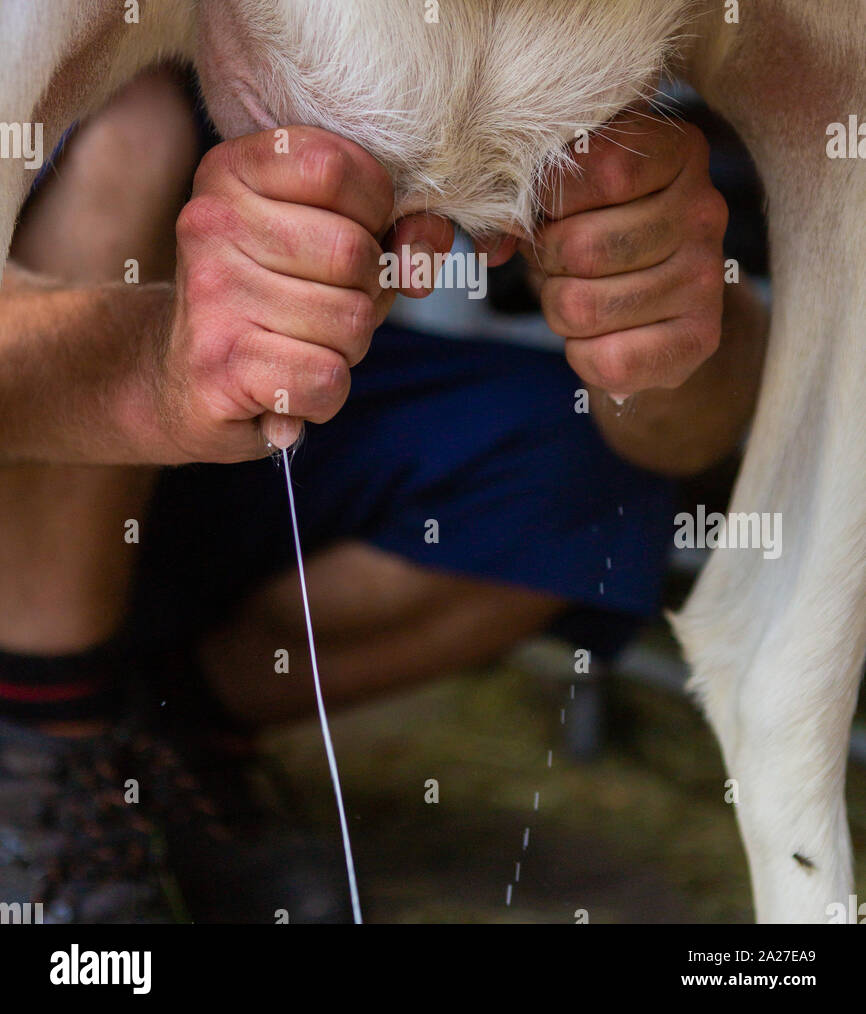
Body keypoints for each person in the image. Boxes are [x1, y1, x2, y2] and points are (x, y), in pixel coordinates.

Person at [0, 67, 768, 923]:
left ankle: (158, 727)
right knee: (128, 121)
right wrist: (147, 363)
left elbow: (685, 437)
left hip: (208, 474)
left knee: (581, 478)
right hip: (45, 449)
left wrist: (668, 294)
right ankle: (46, 745)